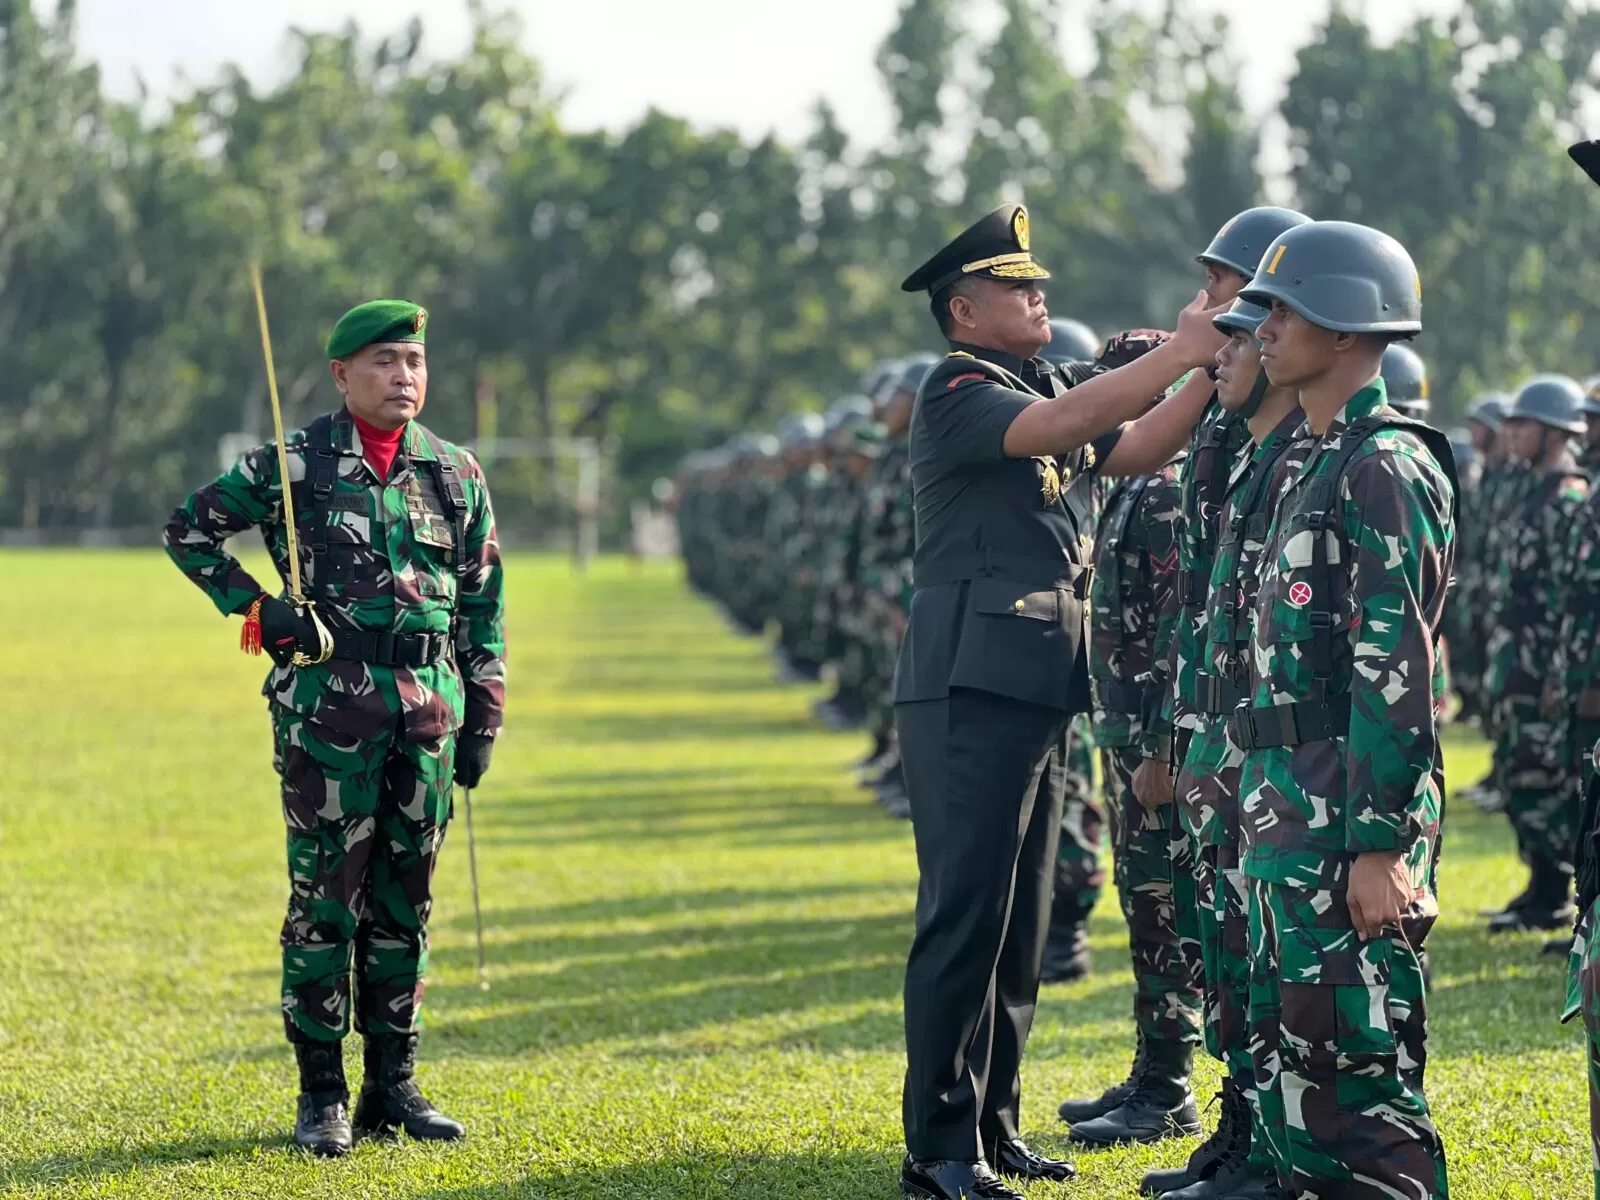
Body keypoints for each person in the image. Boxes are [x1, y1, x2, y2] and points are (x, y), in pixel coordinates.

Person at [892, 201, 1229, 1200]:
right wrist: (1178, 346)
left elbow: (1135, 448)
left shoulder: (1035, 381)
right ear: (962, 310)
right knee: (964, 918)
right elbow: (1066, 427)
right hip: (965, 686)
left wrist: (1205, 369)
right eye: (1015, 285)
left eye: (1038, 281)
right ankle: (939, 1147)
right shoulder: (959, 388)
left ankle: (993, 1127)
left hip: (1033, 682)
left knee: (1020, 921)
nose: (1040, 294)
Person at [164, 300, 506, 1157]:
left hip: (429, 711)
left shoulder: (454, 471)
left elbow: (483, 602)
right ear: (343, 374)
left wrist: (483, 711)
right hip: (330, 713)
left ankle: (395, 1085)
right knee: (325, 906)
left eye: (416, 362)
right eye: (386, 361)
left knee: (406, 903)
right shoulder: (295, 464)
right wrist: (260, 610)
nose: (405, 378)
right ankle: (323, 1095)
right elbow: (187, 530)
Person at [1231, 220, 1455, 1200]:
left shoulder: (1383, 466)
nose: (1262, 328)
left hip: (1343, 822)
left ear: (1348, 326)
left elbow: (1395, 672)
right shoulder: (1310, 460)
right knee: (1296, 1081)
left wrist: (1379, 844)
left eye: (1281, 310)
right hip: (1291, 804)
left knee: (1358, 1085)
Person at [1078, 205, 1309, 1136]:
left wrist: (1164, 740)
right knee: (1183, 916)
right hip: (1176, 727)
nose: (1202, 305)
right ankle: (1204, 1102)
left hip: (1214, 739)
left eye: (1219, 283)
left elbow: (1197, 614)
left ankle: (1196, 1097)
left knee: (1203, 920)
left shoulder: (1244, 446)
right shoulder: (1203, 441)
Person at [1143, 300, 1309, 1198]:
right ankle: (1244, 1131)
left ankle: (1269, 1152)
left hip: (1277, 765)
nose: (1216, 336)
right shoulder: (1242, 454)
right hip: (1223, 748)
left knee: (1276, 978)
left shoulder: (1312, 461)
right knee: (1231, 967)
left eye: (1238, 318)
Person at [1063, 366, 1205, 1148]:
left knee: (1165, 911)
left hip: (1156, 743)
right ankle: (1155, 1070)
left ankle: (1170, 1087)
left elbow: (1177, 633)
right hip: (1125, 733)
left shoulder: (1164, 493)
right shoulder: (1130, 484)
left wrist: (1159, 748)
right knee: (1142, 905)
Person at [1483, 376, 1590, 932]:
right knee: (1517, 774)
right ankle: (1539, 887)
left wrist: (1558, 672)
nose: (1512, 432)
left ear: (1554, 433)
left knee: (1548, 779)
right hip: (1515, 662)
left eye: (1524, 424)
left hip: (1547, 663)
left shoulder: (1568, 498)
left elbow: (1570, 594)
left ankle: (1557, 894)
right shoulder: (1527, 490)